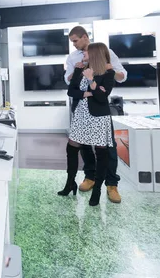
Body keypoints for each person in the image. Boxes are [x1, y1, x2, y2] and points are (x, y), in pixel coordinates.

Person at [64, 26, 127, 204]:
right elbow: (69, 82)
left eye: (76, 41)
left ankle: (111, 184)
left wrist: (109, 71)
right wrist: (78, 71)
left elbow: (122, 76)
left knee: (107, 146)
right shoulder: (73, 58)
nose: (75, 45)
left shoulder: (105, 52)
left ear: (85, 37)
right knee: (83, 145)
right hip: (81, 105)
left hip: (99, 109)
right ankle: (90, 177)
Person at [59, 43, 116, 206]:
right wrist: (90, 91)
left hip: (98, 117)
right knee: (71, 147)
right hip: (80, 115)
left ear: (94, 54)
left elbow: (101, 98)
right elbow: (71, 92)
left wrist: (91, 80)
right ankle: (70, 183)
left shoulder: (108, 73)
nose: (83, 54)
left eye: (85, 53)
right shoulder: (80, 69)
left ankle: (97, 190)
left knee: (101, 152)